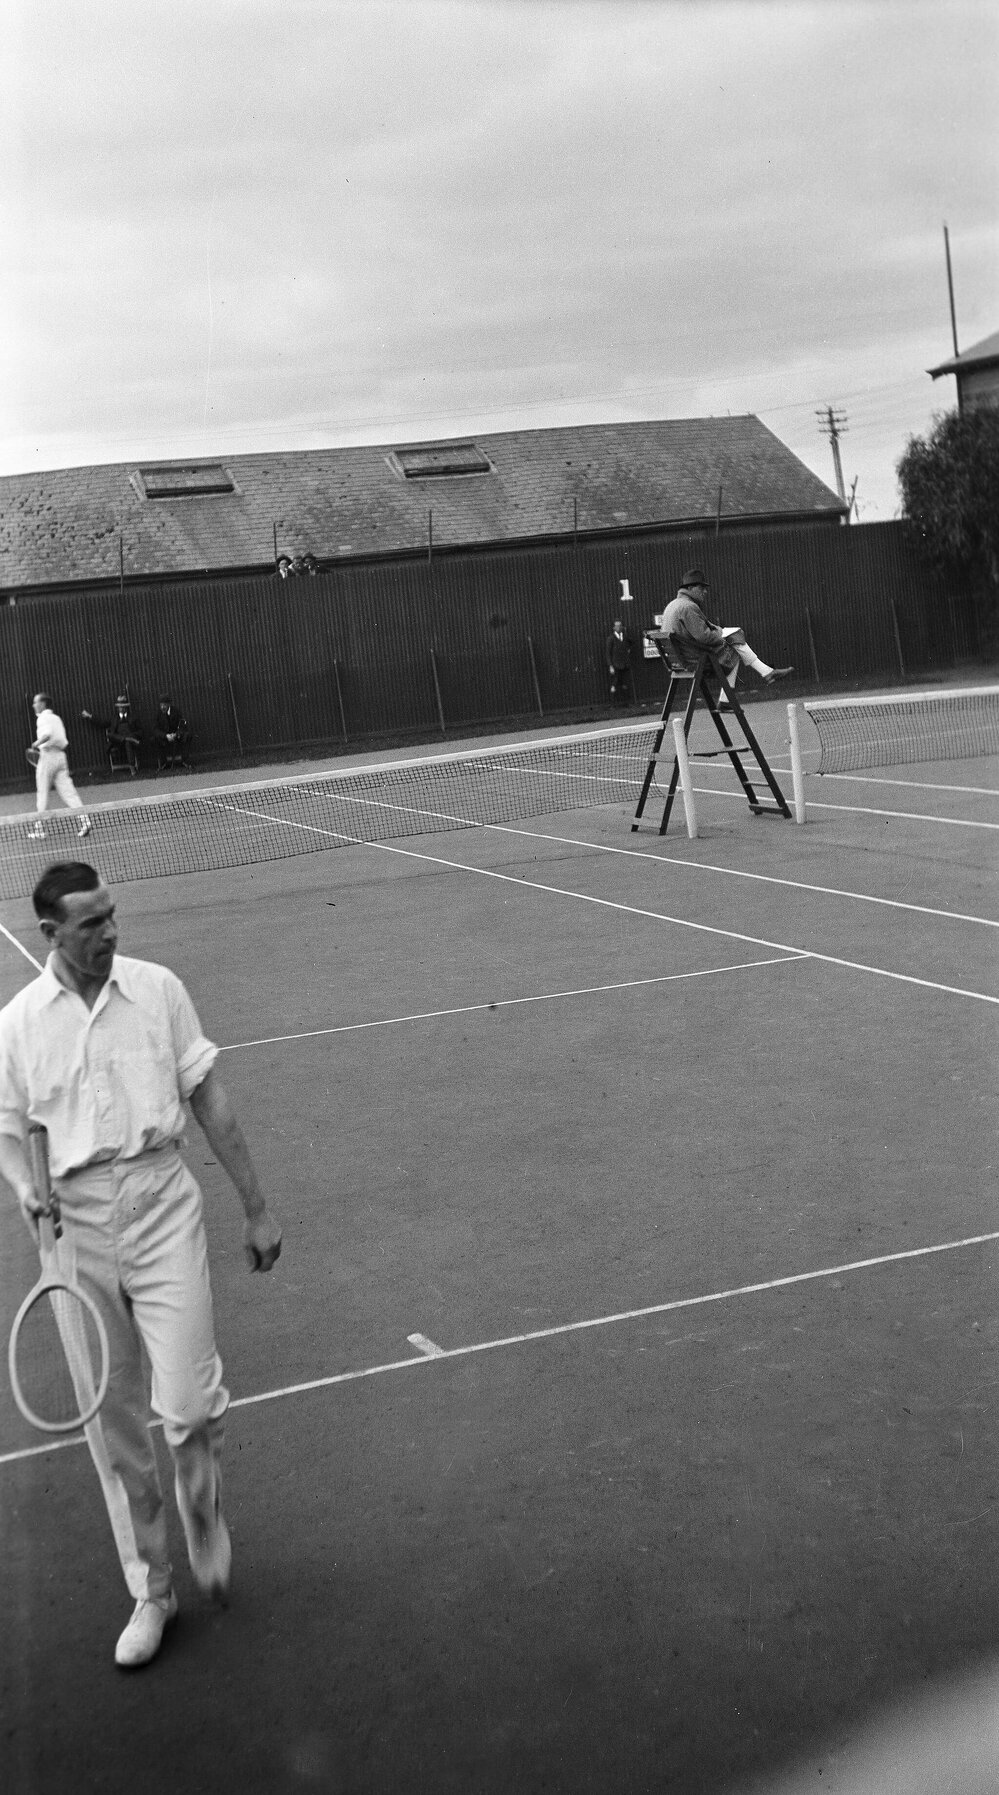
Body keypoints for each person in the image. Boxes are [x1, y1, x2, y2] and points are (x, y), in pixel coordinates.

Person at [0, 862, 282, 1670]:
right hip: (72, 1229)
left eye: (113, 915)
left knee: (189, 1404)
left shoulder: (158, 990)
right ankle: (151, 1589)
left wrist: (256, 1205)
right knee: (114, 1422)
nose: (110, 932)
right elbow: (9, 1130)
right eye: (90, 924)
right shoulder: (17, 1024)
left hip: (161, 1198)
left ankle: (203, 1514)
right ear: (50, 934)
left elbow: (210, 1098)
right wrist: (25, 1186)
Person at [658, 568, 792, 692]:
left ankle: (766, 672)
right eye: (701, 588)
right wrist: (724, 635)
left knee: (735, 641)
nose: (705, 591)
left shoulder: (673, 605)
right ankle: (761, 675)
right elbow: (704, 637)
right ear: (690, 588)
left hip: (680, 659)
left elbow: (703, 629)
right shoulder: (688, 607)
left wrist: (722, 632)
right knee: (734, 649)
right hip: (694, 660)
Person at [26, 692, 91, 841]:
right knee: (70, 793)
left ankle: (40, 830)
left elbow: (47, 735)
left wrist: (35, 744)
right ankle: (85, 821)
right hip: (61, 758)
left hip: (47, 757)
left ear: (42, 704)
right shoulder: (56, 718)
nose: (34, 705)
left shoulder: (43, 718)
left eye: (36, 702)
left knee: (42, 793)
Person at [81, 694, 142, 776]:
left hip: (131, 743)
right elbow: (102, 723)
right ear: (118, 708)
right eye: (120, 707)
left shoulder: (133, 718)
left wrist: (132, 736)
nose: (122, 708)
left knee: (128, 743)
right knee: (110, 735)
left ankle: (132, 768)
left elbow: (140, 731)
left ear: (126, 707)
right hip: (118, 743)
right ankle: (126, 739)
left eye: (124, 706)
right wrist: (89, 716)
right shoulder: (114, 718)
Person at [152, 695, 192, 771]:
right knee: (154, 739)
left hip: (176, 735)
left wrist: (176, 734)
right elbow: (155, 729)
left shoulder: (176, 711)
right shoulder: (158, 714)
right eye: (161, 705)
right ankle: (164, 763)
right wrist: (166, 736)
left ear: (169, 704)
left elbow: (182, 725)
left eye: (164, 705)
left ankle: (183, 760)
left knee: (188, 736)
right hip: (165, 737)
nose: (162, 707)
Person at [605, 620, 634, 705]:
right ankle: (612, 704)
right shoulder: (611, 638)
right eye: (617, 626)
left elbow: (632, 642)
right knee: (614, 683)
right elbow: (608, 653)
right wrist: (610, 665)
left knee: (625, 683)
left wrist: (628, 649)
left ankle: (627, 703)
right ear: (614, 628)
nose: (619, 627)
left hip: (624, 664)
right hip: (615, 665)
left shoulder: (625, 637)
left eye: (620, 626)